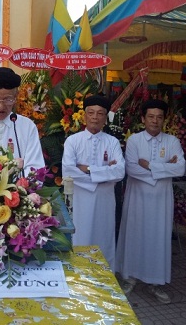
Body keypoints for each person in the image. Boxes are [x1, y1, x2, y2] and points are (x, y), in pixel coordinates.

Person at [115, 99, 186, 304]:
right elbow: (132, 169)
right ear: (143, 118)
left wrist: (150, 165)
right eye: (151, 116)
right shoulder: (135, 141)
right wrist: (163, 168)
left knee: (158, 237)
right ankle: (130, 278)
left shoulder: (172, 141)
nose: (155, 121)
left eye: (159, 117)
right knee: (135, 235)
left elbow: (180, 168)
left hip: (161, 199)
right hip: (137, 198)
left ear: (164, 119)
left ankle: (155, 283)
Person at [62, 95, 125, 269]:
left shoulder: (112, 142)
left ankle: (105, 278)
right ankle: (79, 276)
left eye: (100, 113)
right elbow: (68, 170)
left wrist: (88, 169)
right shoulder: (73, 141)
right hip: (80, 198)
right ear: (84, 116)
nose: (95, 117)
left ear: (105, 118)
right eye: (91, 113)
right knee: (81, 236)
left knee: (104, 236)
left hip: (105, 199)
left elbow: (120, 171)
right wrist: (104, 173)